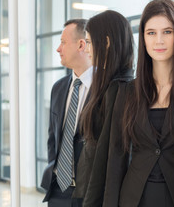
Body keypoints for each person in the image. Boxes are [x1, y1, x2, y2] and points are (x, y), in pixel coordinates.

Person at [103, 0, 174, 207]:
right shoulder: (127, 92)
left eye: (167, 32)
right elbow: (116, 158)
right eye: (151, 33)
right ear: (144, 39)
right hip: (134, 198)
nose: (159, 41)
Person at [71, 10, 134, 206]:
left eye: (89, 42)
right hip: (88, 190)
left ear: (106, 42)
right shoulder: (107, 84)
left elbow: (106, 160)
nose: (87, 49)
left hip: (96, 197)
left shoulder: (119, 88)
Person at [40, 19, 92, 207]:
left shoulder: (105, 89)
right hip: (57, 192)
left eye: (63, 42)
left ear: (81, 44)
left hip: (89, 194)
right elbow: (52, 139)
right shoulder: (58, 88)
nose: (58, 49)